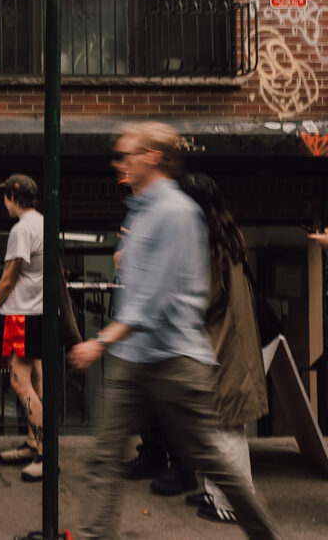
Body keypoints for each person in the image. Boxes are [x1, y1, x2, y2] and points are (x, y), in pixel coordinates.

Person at [68, 122, 280, 539]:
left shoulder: (177, 212)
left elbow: (156, 297)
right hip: (135, 358)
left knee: (211, 455)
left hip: (175, 359)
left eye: (126, 155)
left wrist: (102, 340)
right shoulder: (141, 210)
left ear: (152, 157)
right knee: (105, 456)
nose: (119, 163)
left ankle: (266, 533)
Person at [178, 173, 269, 525]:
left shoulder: (207, 244)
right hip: (230, 341)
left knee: (226, 427)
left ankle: (233, 503)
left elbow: (203, 299)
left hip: (223, 345)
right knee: (218, 425)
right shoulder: (224, 233)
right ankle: (217, 491)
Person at [0, 174, 46, 482]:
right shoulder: (42, 223)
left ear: (13, 196)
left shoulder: (21, 229)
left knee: (19, 383)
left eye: (5, 197)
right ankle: (32, 443)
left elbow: (9, 278)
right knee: (36, 379)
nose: (4, 203)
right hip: (37, 311)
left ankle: (44, 452)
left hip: (20, 315)